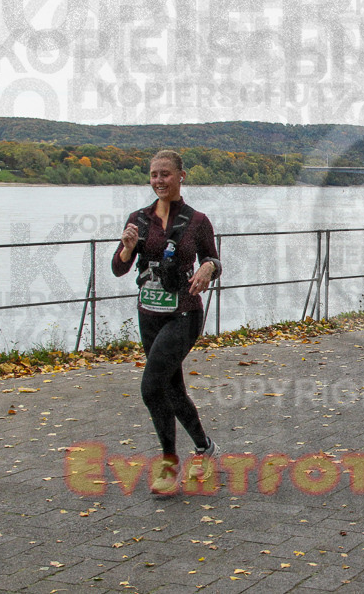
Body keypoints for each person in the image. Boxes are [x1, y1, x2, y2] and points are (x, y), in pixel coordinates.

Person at [112, 149, 222, 494]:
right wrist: (127, 249)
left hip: (184, 313)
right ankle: (204, 447)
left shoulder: (197, 220)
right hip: (149, 315)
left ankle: (169, 464)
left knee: (151, 387)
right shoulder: (139, 218)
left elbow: (214, 259)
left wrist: (208, 268)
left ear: (181, 176)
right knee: (172, 390)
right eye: (154, 174)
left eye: (165, 174)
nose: (159, 180)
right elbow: (118, 268)